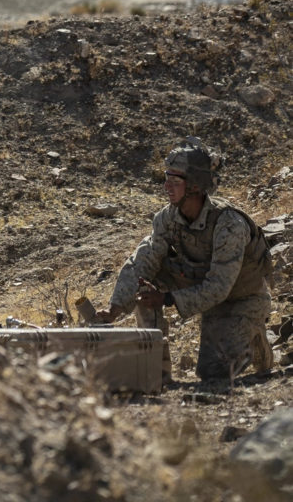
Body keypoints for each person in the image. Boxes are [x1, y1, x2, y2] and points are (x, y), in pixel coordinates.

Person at [94, 136, 273, 383]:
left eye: (175, 180)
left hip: (241, 298)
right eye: (166, 178)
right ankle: (156, 372)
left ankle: (256, 337)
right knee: (145, 281)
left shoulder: (229, 224)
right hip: (203, 287)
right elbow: (142, 260)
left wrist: (167, 299)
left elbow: (219, 288)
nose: (167, 186)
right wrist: (116, 307)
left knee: (214, 373)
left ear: (196, 186)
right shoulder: (167, 218)